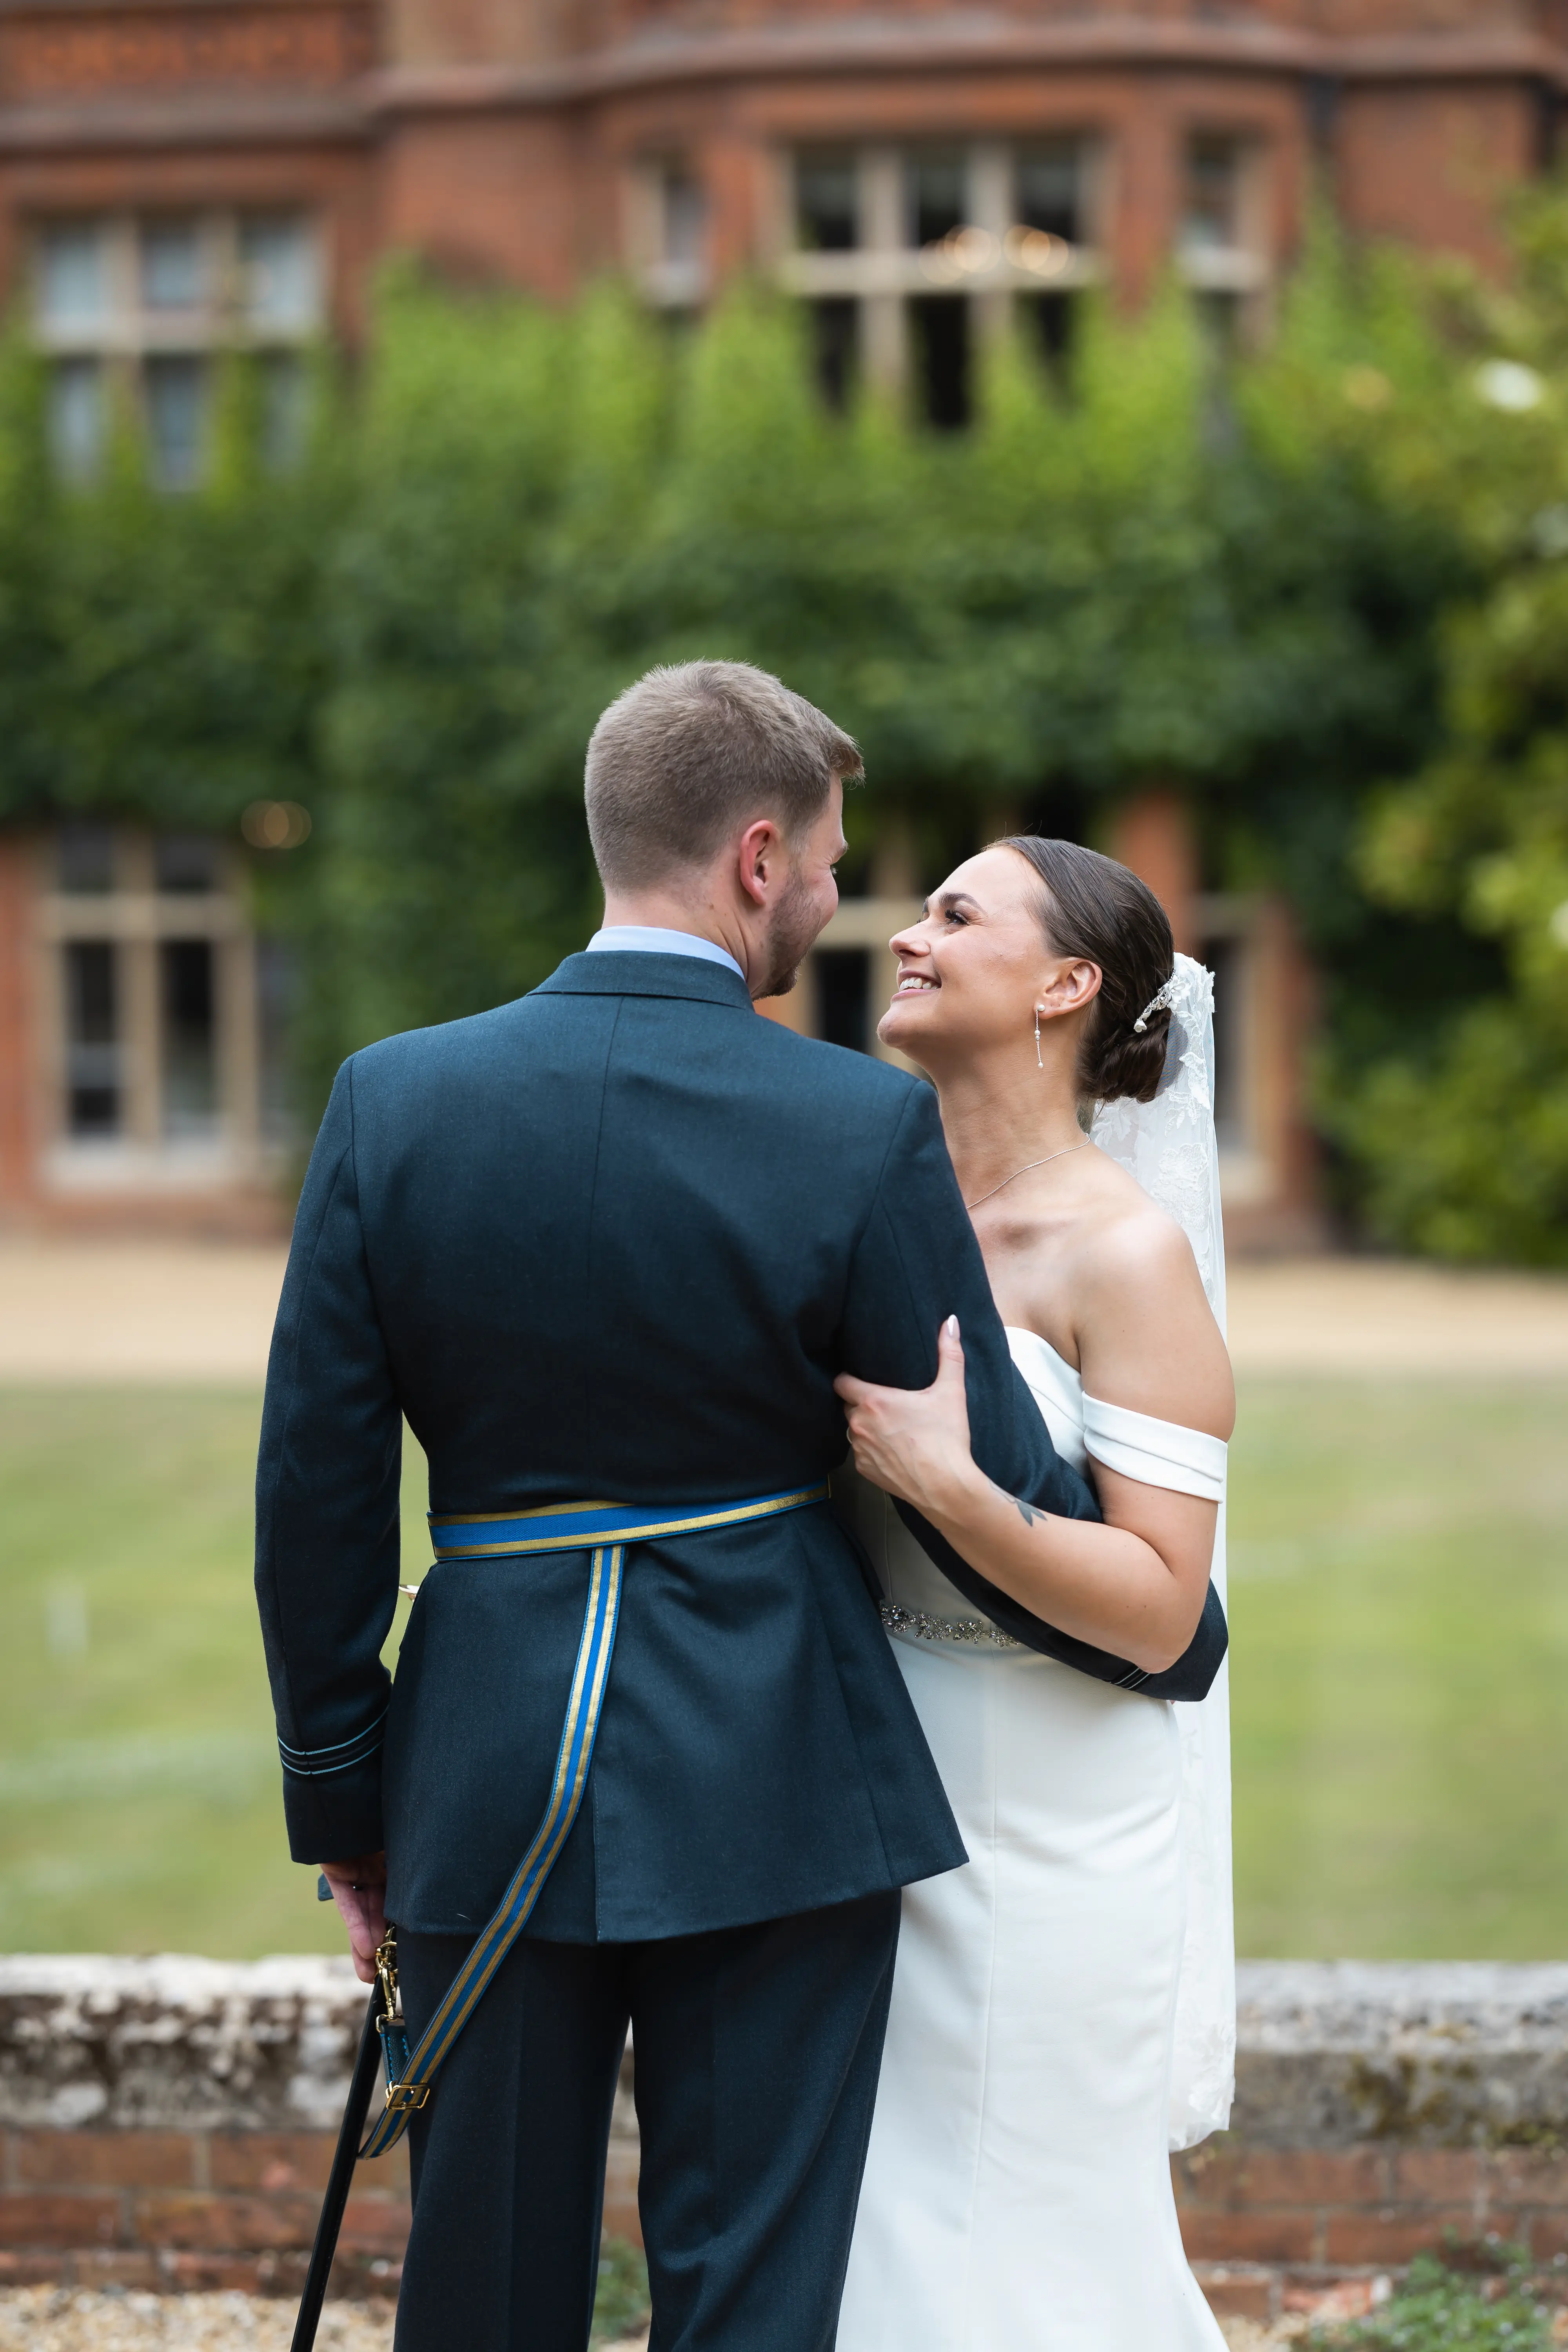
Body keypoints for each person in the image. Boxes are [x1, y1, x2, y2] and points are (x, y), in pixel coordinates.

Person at [255, 664, 1159, 2352]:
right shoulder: (858, 1124)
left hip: (480, 1762)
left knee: (485, 2286)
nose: (831, 903)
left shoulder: (393, 1099)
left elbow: (314, 1492)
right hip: (782, 1776)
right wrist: (1150, 1605)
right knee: (754, 2288)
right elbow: (979, 1469)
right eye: (824, 866)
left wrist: (345, 1804)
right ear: (757, 858)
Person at [833, 836, 1236, 2352]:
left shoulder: (1124, 1256)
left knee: (1033, 2234)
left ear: (1068, 984)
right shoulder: (862, 1195)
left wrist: (947, 1485)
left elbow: (1155, 1604)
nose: (908, 935)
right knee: (884, 2226)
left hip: (1059, 1821)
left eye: (956, 913)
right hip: (870, 1780)